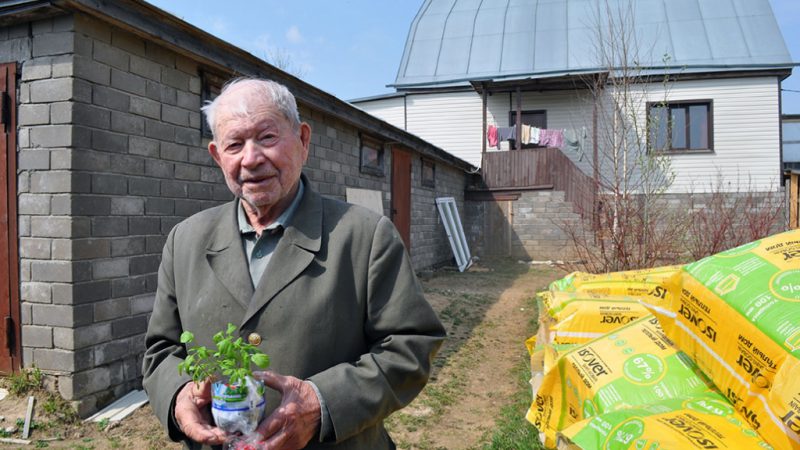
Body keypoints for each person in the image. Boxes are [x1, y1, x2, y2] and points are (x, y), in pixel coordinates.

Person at [142, 78, 446, 449]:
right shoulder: (185, 241)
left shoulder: (365, 236)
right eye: (235, 144)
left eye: (267, 137)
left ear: (303, 140)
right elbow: (160, 352)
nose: (251, 158)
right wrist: (178, 397)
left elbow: (411, 346)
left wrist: (323, 403)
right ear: (217, 156)